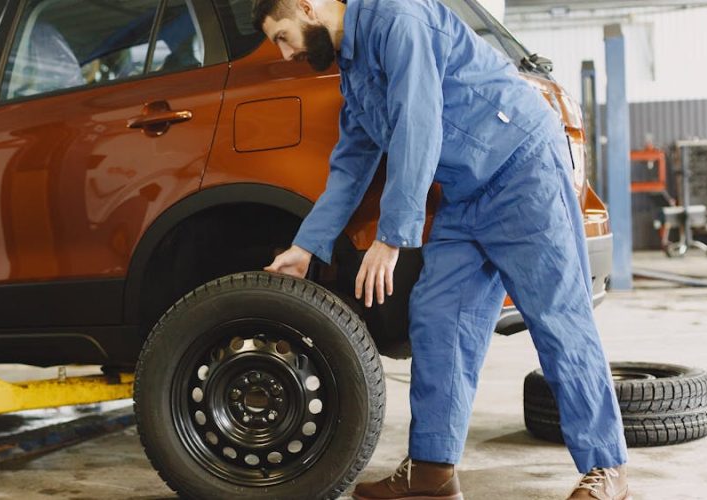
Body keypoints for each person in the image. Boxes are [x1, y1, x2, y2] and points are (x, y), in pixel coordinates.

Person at [254, 1, 631, 499]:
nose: (284, 54)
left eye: (283, 36)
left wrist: (392, 237)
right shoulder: (354, 66)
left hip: (522, 172)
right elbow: (351, 163)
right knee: (437, 319)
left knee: (559, 320)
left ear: (306, 6)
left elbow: (418, 121)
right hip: (464, 192)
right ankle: (432, 471)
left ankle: (607, 471)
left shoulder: (398, 18)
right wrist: (306, 246)